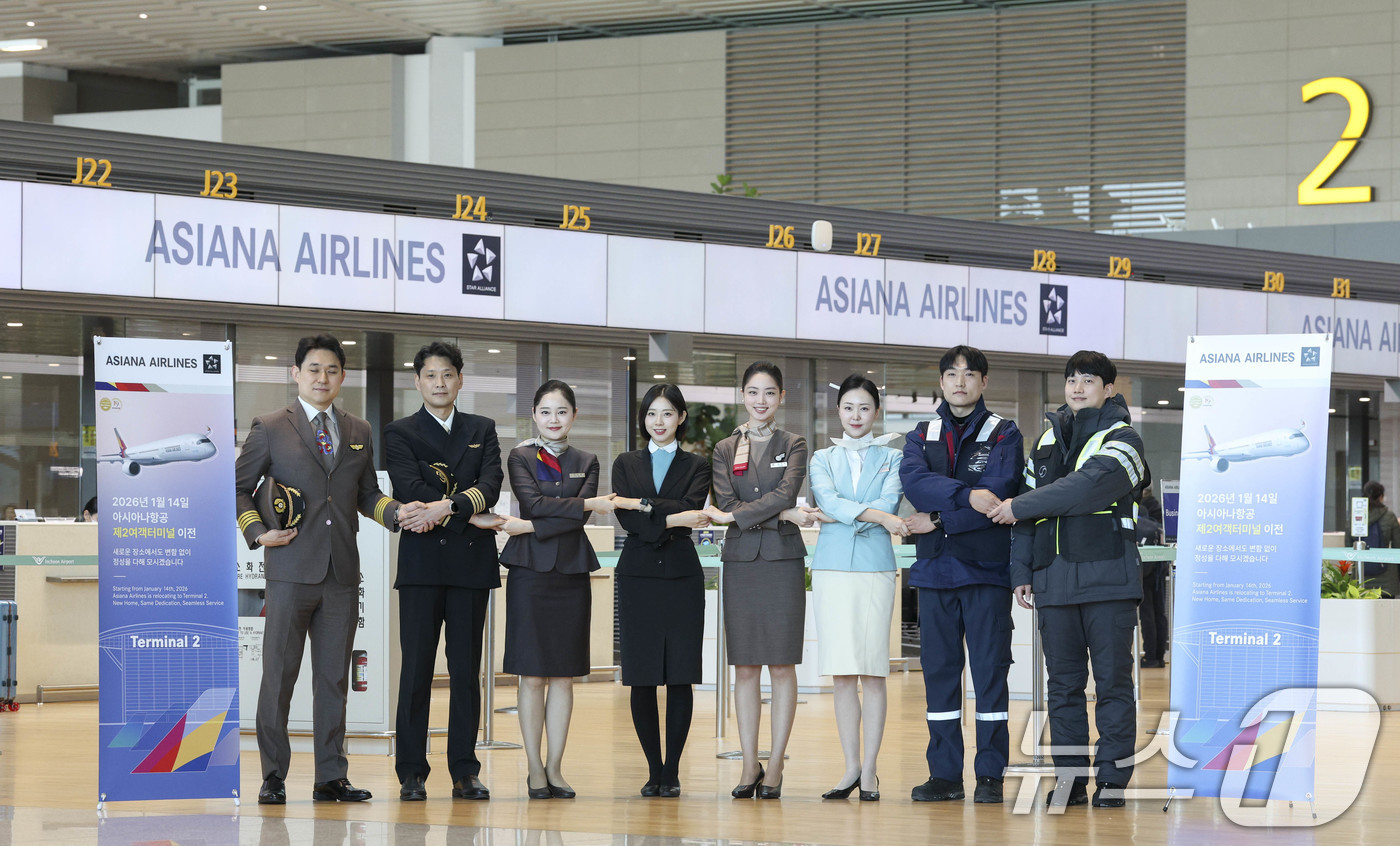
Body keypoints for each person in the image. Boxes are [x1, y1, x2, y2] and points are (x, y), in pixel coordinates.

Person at [234, 333, 426, 805]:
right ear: (296, 373)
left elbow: (366, 495)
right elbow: (237, 487)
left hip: (341, 573)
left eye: (332, 370)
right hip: (289, 571)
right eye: (314, 369)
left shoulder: (358, 429)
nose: (323, 378)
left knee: (334, 679)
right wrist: (258, 532)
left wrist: (396, 513)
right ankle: (273, 776)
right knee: (278, 677)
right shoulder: (270, 426)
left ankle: (330, 776)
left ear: (342, 376)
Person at [990, 350, 1148, 810]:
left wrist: (1021, 505)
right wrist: (1022, 572)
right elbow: (1025, 516)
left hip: (1108, 580)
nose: (1077, 387)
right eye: (1071, 379)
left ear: (1108, 389)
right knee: (1062, 689)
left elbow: (1085, 488)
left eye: (1089, 380)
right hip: (1053, 582)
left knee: (1113, 685)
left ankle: (1112, 780)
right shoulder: (1045, 441)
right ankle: (1071, 780)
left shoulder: (1124, 439)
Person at [899, 346, 1023, 805]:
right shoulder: (921, 433)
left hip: (986, 572)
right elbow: (915, 483)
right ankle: (945, 775)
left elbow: (999, 493)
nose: (960, 382)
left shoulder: (1004, 432)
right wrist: (966, 496)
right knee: (939, 675)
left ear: (983, 382)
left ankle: (990, 774)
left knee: (990, 675)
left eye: (969, 374)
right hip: (935, 573)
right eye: (951, 374)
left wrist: (938, 518)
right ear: (941, 381)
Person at [383, 341, 506, 802]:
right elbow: (406, 486)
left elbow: (490, 486)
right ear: (417, 382)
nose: (439, 383)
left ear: (460, 379)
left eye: (447, 374)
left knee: (465, 671)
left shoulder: (482, 428)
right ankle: (411, 771)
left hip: (470, 566)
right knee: (415, 669)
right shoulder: (399, 431)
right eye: (431, 376)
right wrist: (464, 511)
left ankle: (464, 770)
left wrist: (444, 507)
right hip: (421, 566)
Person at [499, 380, 627, 799]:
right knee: (532, 675)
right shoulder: (519, 456)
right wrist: (587, 503)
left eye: (561, 411)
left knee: (563, 676)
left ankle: (555, 766)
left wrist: (530, 526)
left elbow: (572, 521)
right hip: (529, 574)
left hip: (571, 573)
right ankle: (534, 767)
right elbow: (535, 504)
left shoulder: (587, 460)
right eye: (545, 411)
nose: (553, 419)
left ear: (574, 415)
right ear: (534, 415)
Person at [705, 361, 824, 800]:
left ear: (781, 397)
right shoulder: (724, 448)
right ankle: (748, 763)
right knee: (745, 666)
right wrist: (781, 515)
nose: (761, 400)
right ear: (742, 395)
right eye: (753, 392)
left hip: (782, 561)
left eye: (769, 392)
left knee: (782, 664)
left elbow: (785, 493)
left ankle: (775, 764)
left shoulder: (794, 443)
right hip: (741, 562)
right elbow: (726, 502)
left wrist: (764, 513)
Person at [609, 383, 713, 798]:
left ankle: (672, 770)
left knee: (680, 676)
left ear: (681, 417)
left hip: (681, 576)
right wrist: (672, 516)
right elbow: (627, 520)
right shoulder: (625, 463)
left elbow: (692, 510)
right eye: (652, 413)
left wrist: (645, 505)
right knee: (642, 676)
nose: (659, 421)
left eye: (667, 413)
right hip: (637, 576)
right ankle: (653, 768)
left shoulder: (697, 465)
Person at [808, 374, 907, 802]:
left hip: (874, 568)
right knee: (843, 672)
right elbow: (826, 501)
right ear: (838, 411)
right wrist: (879, 519)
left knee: (873, 669)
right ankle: (850, 766)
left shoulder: (894, 458)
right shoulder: (821, 457)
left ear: (876, 412)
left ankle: (870, 770)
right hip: (831, 568)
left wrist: (852, 514)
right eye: (848, 407)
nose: (856, 415)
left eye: (864, 408)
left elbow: (890, 501)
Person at [1136, 490, 1168, 668]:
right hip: (1159, 569)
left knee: (1146, 614)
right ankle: (1159, 656)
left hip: (1143, 571)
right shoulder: (1156, 517)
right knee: (1159, 613)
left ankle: (1150, 656)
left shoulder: (1137, 512)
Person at [1361, 480, 1400, 598]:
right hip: (1386, 580)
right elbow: (1397, 546)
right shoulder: (1389, 517)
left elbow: (1348, 544)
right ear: (1381, 497)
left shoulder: (1357, 517)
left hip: (1362, 578)